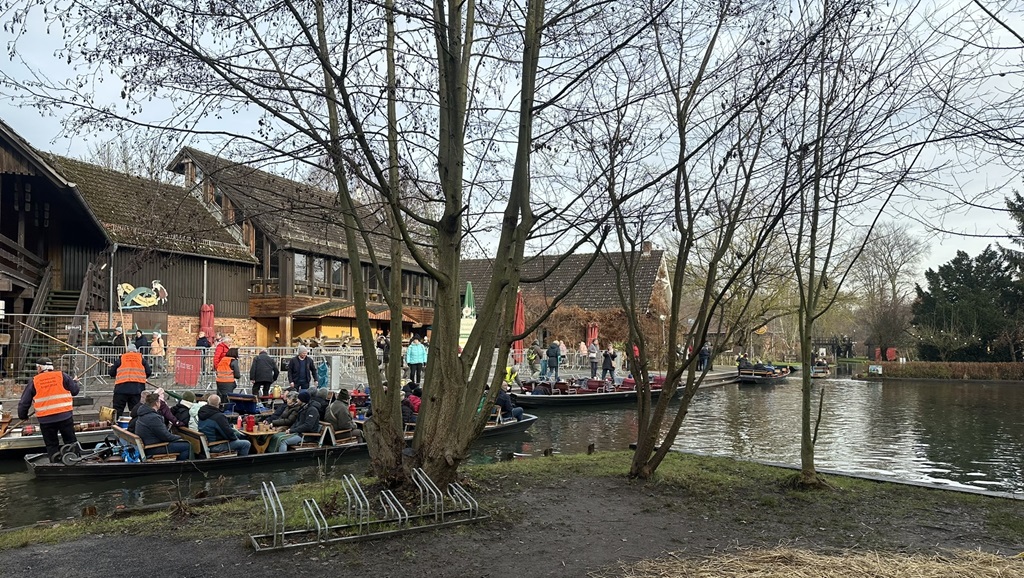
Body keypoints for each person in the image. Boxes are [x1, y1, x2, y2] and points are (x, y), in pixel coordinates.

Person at [17, 357, 80, 460]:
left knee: (51, 445)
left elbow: (24, 402)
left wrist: (22, 416)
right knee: (70, 441)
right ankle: (75, 459)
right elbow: (75, 391)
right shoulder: (62, 376)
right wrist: (75, 383)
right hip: (64, 416)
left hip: (46, 420)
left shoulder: (34, 381)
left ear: (40, 368)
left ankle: (54, 461)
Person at [134, 392, 190, 460]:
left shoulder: (143, 414)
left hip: (148, 444)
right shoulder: (153, 418)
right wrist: (179, 437)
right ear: (157, 403)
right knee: (187, 446)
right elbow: (166, 436)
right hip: (153, 447)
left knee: (182, 444)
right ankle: (180, 467)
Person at [108, 343, 152, 416]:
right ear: (136, 351)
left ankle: (116, 425)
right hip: (137, 389)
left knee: (117, 411)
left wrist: (113, 368)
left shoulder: (121, 358)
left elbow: (111, 373)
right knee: (136, 411)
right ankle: (134, 426)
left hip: (121, 389)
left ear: (127, 351)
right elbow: (149, 372)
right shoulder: (141, 359)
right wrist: (143, 377)